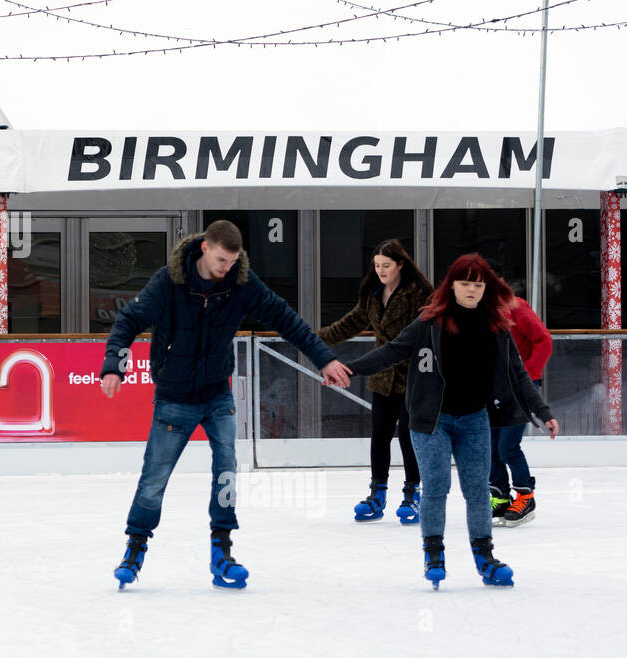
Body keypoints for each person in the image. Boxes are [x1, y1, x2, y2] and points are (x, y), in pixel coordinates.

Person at [100, 220, 350, 590]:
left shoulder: (242, 284)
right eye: (221, 260)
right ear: (205, 248)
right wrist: (114, 366)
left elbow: (287, 320)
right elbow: (128, 320)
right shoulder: (168, 282)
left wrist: (324, 359)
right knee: (154, 479)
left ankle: (222, 551)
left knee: (226, 473)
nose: (226, 268)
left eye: (232, 261)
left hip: (217, 394)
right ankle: (135, 549)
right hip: (174, 398)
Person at [345, 254, 557, 589]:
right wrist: (349, 368)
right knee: (437, 489)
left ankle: (485, 558)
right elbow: (391, 352)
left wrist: (542, 412)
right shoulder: (430, 322)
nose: (471, 290)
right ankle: (434, 555)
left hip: (474, 420)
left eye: (477, 284)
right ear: (452, 285)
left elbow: (519, 374)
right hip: (432, 422)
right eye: (465, 283)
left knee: (476, 491)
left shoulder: (497, 326)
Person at [319, 239, 433, 524]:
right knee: (380, 434)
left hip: (414, 374)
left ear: (400, 265)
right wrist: (314, 339)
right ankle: (377, 493)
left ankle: (412, 494)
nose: (381, 270)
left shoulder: (419, 294)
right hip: (383, 377)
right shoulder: (373, 294)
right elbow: (351, 322)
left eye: (386, 265)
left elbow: (426, 334)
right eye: (377, 266)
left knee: (409, 436)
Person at [487, 289, 553, 528]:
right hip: (492, 388)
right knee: (490, 445)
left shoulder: (516, 307)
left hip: (519, 387)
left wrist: (529, 377)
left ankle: (525, 496)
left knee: (507, 446)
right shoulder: (479, 313)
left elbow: (544, 340)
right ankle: (500, 497)